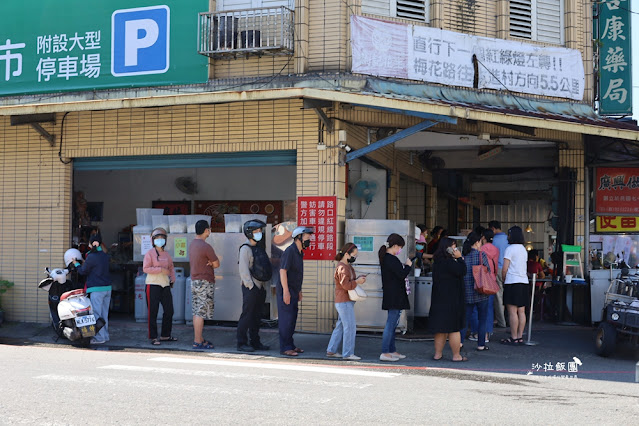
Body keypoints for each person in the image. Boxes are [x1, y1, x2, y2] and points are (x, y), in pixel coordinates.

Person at [326, 243, 366, 361]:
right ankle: (348, 353)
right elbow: (346, 285)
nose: (355, 257)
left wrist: (357, 279)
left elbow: (348, 282)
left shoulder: (344, 265)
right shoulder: (343, 267)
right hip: (344, 301)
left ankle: (331, 350)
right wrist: (357, 282)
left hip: (342, 301)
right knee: (350, 327)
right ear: (347, 254)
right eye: (354, 255)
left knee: (341, 326)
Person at [430, 237, 467, 362]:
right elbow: (463, 271)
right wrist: (460, 258)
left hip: (438, 299)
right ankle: (456, 355)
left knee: (440, 328)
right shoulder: (452, 262)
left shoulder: (437, 262)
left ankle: (437, 354)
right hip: (452, 300)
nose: (455, 249)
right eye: (453, 246)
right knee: (454, 329)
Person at [278, 226, 314, 357]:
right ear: (299, 237)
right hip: (286, 290)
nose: (309, 239)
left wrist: (299, 290)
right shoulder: (290, 251)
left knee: (292, 318)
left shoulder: (300, 252)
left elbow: (297, 273)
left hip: (294, 290)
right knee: (286, 319)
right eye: (307, 237)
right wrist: (286, 292)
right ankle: (285, 347)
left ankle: (291, 344)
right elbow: (283, 271)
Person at [237, 219, 271, 352]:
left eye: (260, 231)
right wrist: (250, 286)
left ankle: (255, 341)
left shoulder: (258, 247)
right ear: (249, 233)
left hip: (260, 287)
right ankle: (241, 343)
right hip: (251, 287)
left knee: (257, 316)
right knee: (247, 315)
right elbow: (243, 270)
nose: (259, 233)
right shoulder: (245, 249)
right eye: (257, 231)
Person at [378, 233, 412, 362]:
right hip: (394, 296)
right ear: (396, 246)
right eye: (400, 247)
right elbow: (401, 274)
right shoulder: (390, 259)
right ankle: (385, 352)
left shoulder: (387, 258)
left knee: (392, 324)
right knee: (391, 324)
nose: (400, 250)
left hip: (392, 295)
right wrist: (408, 265)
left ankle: (391, 350)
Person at [143, 227, 177, 346]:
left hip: (165, 285)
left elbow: (171, 267)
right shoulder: (150, 253)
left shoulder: (166, 254)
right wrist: (160, 269)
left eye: (162, 238)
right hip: (152, 285)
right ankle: (153, 336)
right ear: (153, 240)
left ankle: (165, 335)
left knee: (169, 310)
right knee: (153, 312)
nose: (160, 240)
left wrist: (173, 278)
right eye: (157, 238)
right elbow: (146, 268)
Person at [75, 234, 111, 344]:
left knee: (96, 314)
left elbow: (82, 271)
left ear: (91, 244)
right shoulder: (105, 255)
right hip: (107, 288)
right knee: (104, 314)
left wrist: (76, 264)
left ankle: (99, 338)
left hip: (97, 289)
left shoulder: (91, 256)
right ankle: (105, 336)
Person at [189, 220, 219, 350]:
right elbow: (217, 263)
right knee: (201, 312)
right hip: (204, 281)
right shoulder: (205, 246)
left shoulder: (192, 245)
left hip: (194, 280)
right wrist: (212, 263)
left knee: (196, 311)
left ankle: (199, 338)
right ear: (206, 230)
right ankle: (197, 341)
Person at [460, 231, 491, 351]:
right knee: (482, 319)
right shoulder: (480, 255)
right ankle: (481, 345)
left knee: (464, 319)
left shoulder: (463, 255)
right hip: (481, 291)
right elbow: (487, 269)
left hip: (467, 292)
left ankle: (460, 343)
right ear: (477, 242)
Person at [500, 226, 529, 345]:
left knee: (512, 312)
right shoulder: (523, 249)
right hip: (524, 282)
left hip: (512, 281)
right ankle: (520, 336)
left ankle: (513, 337)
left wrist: (503, 278)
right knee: (521, 311)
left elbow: (505, 268)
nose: (508, 236)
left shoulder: (510, 249)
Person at [469, 229, 499, 343]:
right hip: (490, 280)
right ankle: (487, 333)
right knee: (489, 309)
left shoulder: (480, 250)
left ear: (483, 238)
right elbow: (494, 268)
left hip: (479, 281)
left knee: (475, 309)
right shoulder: (495, 249)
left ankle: (477, 333)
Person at [489, 220, 508, 328]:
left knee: (498, 296)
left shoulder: (493, 240)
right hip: (509, 270)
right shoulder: (508, 239)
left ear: (492, 229)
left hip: (498, 269)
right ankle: (509, 319)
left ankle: (501, 322)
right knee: (508, 295)